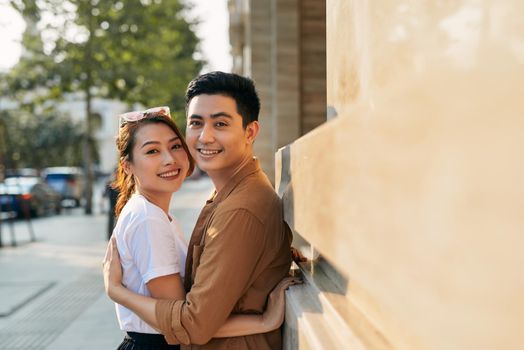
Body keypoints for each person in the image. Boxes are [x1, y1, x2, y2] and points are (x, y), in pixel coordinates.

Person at [107, 105, 299, 350]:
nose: (169, 159)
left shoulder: (156, 215)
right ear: (127, 166)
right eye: (152, 151)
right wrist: (263, 321)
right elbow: (185, 321)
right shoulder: (147, 218)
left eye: (175, 146)